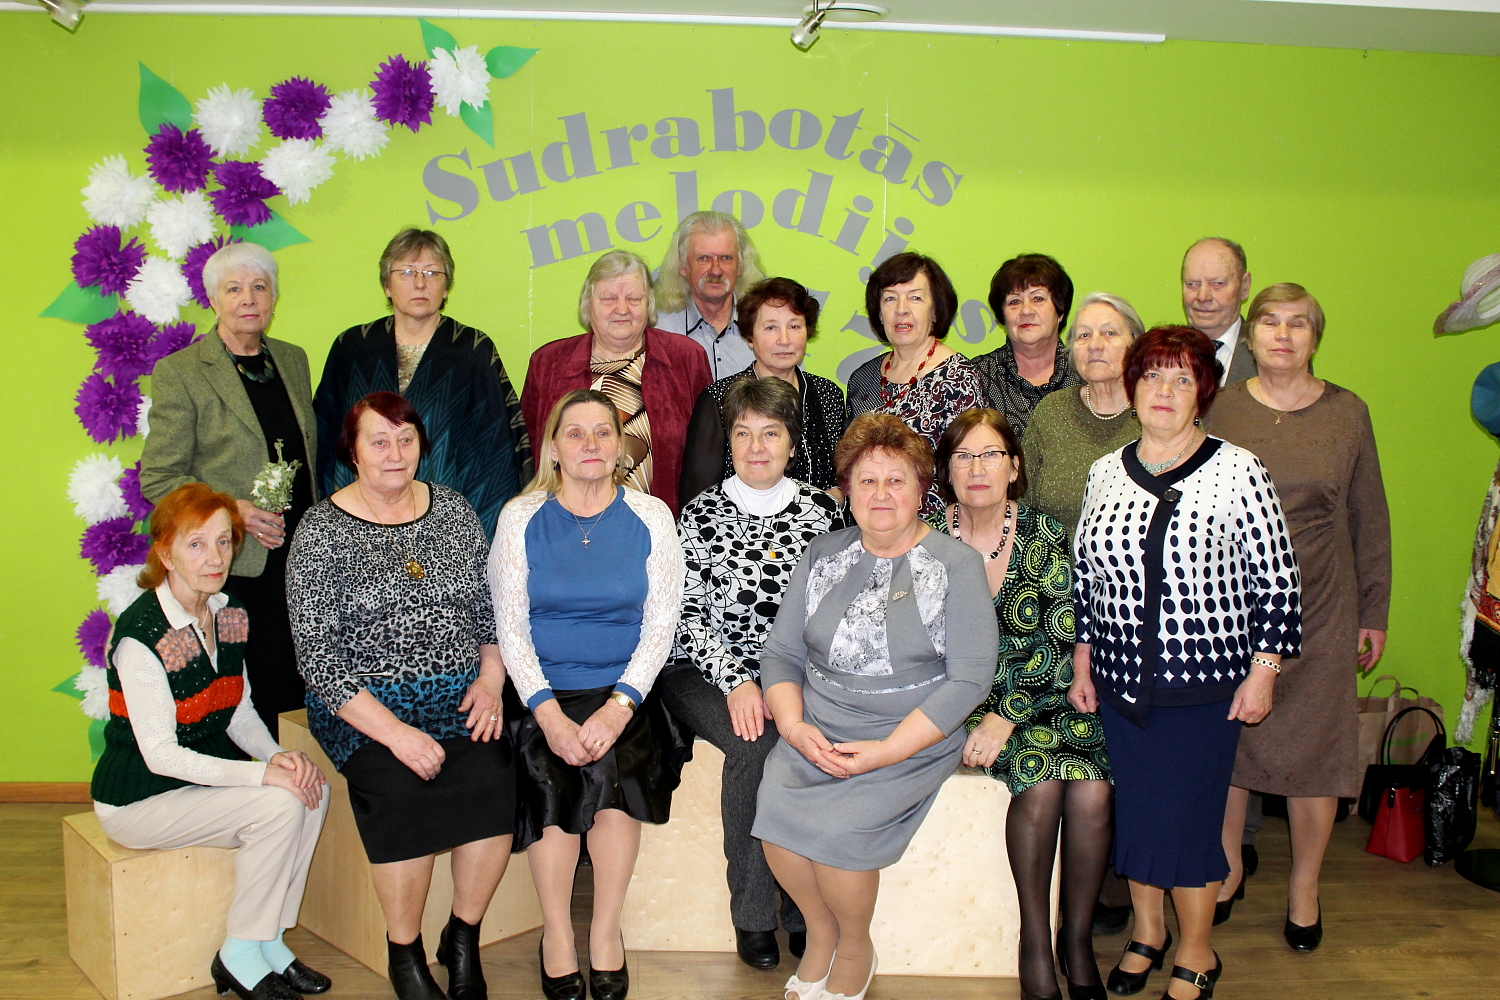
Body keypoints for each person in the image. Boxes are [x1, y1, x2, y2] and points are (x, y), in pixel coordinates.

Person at [1070, 326, 1301, 1000]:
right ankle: (1148, 933)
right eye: (1152, 376)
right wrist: (1084, 664)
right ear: (1132, 388)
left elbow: (1279, 581)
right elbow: (1086, 578)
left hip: (1203, 687)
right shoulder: (1105, 471)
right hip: (1120, 684)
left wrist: (1265, 670)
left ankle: (1198, 949)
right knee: (1139, 818)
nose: (1164, 391)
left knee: (1190, 822)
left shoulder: (1239, 469)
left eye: (1181, 378)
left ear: (1203, 392)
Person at [754, 413, 998, 1000]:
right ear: (847, 490)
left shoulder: (956, 564)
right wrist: (794, 727)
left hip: (910, 734)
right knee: (775, 821)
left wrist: (886, 752)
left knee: (841, 833)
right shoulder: (822, 553)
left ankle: (855, 946)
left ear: (922, 490)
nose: (880, 494)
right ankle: (821, 934)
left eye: (896, 480)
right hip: (819, 726)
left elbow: (970, 680)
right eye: (867, 481)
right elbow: (781, 654)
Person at [287, 392, 513, 1000]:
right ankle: (404, 950)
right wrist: (396, 734)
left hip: (459, 697)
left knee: (495, 781)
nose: (394, 453)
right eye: (379, 441)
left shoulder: (454, 511)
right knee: (401, 792)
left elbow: (487, 612)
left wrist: (491, 680)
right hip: (365, 710)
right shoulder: (320, 531)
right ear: (353, 452)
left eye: (405, 439)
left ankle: (461, 936)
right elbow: (318, 659)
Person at [1207, 284, 1391, 951]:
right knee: (1233, 746)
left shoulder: (1347, 413)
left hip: (1324, 603)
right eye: (1269, 323)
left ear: (1315, 337)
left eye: (1297, 324)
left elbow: (1370, 514)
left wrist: (1375, 609)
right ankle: (1226, 870)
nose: (1282, 335)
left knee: (1317, 751)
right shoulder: (1220, 407)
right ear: (1250, 335)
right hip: (1232, 604)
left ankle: (1304, 886)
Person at [92, 483, 329, 1000]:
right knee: (279, 805)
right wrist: (261, 774)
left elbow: (237, 708)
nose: (216, 557)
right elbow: (161, 755)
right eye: (196, 544)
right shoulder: (143, 636)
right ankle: (238, 954)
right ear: (165, 553)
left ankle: (268, 940)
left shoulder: (228, 612)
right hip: (140, 797)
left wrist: (278, 756)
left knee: (312, 788)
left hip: (196, 781)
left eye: (224, 541)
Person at [489, 390, 687, 1000]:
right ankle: (556, 934)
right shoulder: (520, 517)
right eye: (575, 433)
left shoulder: (652, 516)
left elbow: (661, 624)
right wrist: (548, 715)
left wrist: (619, 706)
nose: (591, 444)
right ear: (553, 448)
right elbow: (510, 628)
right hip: (542, 689)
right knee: (550, 779)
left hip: (624, 689)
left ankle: (604, 931)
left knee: (615, 779)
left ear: (621, 446)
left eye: (603, 432)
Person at [929, 409, 1111, 1000]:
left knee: (1093, 788)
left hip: (1040, 694)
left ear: (1014, 467)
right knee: (1042, 783)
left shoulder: (1045, 534)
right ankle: (1035, 937)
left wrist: (1007, 713)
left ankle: (1076, 939)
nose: (976, 468)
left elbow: (1062, 640)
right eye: (962, 456)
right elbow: (916, 643)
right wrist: (975, 712)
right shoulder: (926, 538)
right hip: (957, 700)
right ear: (946, 470)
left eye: (990, 455)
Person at [662, 377, 841, 971]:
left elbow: (829, 613)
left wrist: (785, 684)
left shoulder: (823, 513)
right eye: (743, 434)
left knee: (809, 740)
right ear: (729, 442)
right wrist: (738, 680)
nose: (756, 447)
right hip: (702, 669)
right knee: (756, 743)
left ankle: (804, 909)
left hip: (793, 673)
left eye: (771, 433)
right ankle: (755, 913)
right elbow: (688, 614)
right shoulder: (700, 514)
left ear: (792, 442)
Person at [140, 242, 316, 738]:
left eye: (259, 287)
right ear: (213, 300)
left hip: (302, 553)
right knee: (252, 686)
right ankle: (258, 776)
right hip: (233, 563)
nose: (248, 298)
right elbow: (159, 476)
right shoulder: (181, 372)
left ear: (274, 297)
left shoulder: (293, 360)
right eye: (233, 289)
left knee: (303, 681)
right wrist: (231, 511)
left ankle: (303, 772)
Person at [313, 227, 531, 541]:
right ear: (386, 285)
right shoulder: (353, 348)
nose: (419, 283)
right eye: (406, 272)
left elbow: (493, 452)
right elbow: (325, 439)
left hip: (445, 528)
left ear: (446, 287)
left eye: (432, 272)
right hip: (359, 525)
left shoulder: (471, 351)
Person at [521, 250, 713, 516]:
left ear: (649, 304)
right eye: (609, 298)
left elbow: (707, 456)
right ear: (588, 304)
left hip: (663, 524)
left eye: (634, 298)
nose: (622, 309)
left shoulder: (687, 358)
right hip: (565, 523)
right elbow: (529, 455)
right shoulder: (548, 363)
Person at [679, 276, 847, 505]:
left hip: (818, 525)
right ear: (750, 336)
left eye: (794, 326)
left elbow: (843, 475)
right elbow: (698, 496)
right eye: (770, 328)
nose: (784, 340)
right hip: (737, 526)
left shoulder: (828, 394)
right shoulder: (720, 398)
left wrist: (837, 496)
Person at [1023, 292, 1145, 538]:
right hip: (1055, 560)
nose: (1095, 345)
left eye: (1110, 333)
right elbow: (1021, 503)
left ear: (1135, 345)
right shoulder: (1052, 411)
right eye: (1084, 336)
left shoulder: (1156, 413)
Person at [844, 251, 983, 453]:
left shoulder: (959, 379)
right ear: (879, 313)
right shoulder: (863, 378)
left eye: (915, 298)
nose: (901, 309)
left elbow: (968, 460)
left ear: (935, 311)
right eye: (890, 298)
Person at [970, 254, 1082, 437]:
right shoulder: (977, 376)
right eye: (1014, 301)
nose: (1026, 311)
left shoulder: (1085, 371)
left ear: (1060, 311)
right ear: (1002, 316)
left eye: (1038, 298)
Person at [654, 210, 767, 380]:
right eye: (704, 258)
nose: (715, 270)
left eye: (726, 258)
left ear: (741, 265)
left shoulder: (768, 326)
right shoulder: (658, 331)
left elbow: (793, 391)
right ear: (682, 265)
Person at [1182, 237, 1256, 386]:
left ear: (1245, 286)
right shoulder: (1156, 357)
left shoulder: (1271, 357)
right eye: (1192, 284)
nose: (1203, 297)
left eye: (1217, 284)